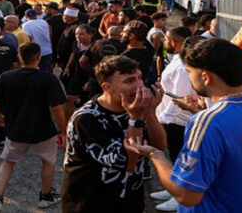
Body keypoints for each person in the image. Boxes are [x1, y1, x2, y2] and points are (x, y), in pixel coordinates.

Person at [124, 38, 242, 212]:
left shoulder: (207, 122)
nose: (190, 79)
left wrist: (155, 155)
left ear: (205, 77)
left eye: (190, 72)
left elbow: (186, 195)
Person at [61, 56, 166, 212]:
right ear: (107, 87)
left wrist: (150, 113)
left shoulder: (135, 108)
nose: (139, 86)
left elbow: (159, 146)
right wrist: (135, 119)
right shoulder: (86, 119)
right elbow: (126, 164)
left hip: (129, 200)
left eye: (139, 78)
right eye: (129, 81)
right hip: (90, 203)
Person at [0, 42, 67, 212]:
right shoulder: (48, 79)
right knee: (48, 161)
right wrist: (64, 131)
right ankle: (45, 196)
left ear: (19, 57)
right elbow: (57, 109)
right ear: (38, 58)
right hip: (43, 129)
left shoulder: (6, 77)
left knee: (8, 162)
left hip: (16, 128)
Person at [149, 26, 193, 211]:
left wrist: (163, 120)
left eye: (167, 39)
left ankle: (180, 197)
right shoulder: (177, 60)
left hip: (177, 121)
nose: (165, 43)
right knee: (174, 158)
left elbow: (179, 98)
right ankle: (172, 189)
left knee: (179, 159)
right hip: (168, 117)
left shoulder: (184, 68)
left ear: (174, 42)